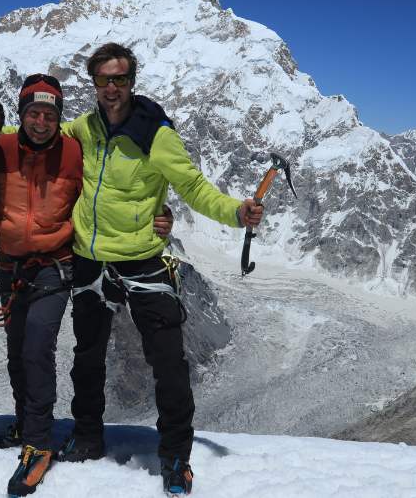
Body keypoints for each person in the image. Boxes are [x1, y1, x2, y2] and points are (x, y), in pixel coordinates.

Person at [56, 42, 264, 496]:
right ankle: (88, 436)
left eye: (121, 79)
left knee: (168, 361)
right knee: (87, 357)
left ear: (132, 82)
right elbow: (42, 135)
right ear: (93, 82)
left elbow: (192, 186)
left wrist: (236, 212)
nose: (112, 88)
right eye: (104, 79)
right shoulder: (84, 126)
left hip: (142, 259)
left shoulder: (155, 133)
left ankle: (175, 454)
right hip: (90, 257)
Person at [0, 74, 173, 496]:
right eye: (33, 113)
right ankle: (24, 424)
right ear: (22, 114)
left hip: (56, 266)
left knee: (36, 347)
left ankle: (38, 442)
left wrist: (161, 210)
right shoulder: (2, 147)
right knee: (16, 352)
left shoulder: (75, 149)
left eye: (50, 114)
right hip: (10, 267)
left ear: (59, 117)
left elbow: (121, 183)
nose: (41, 121)